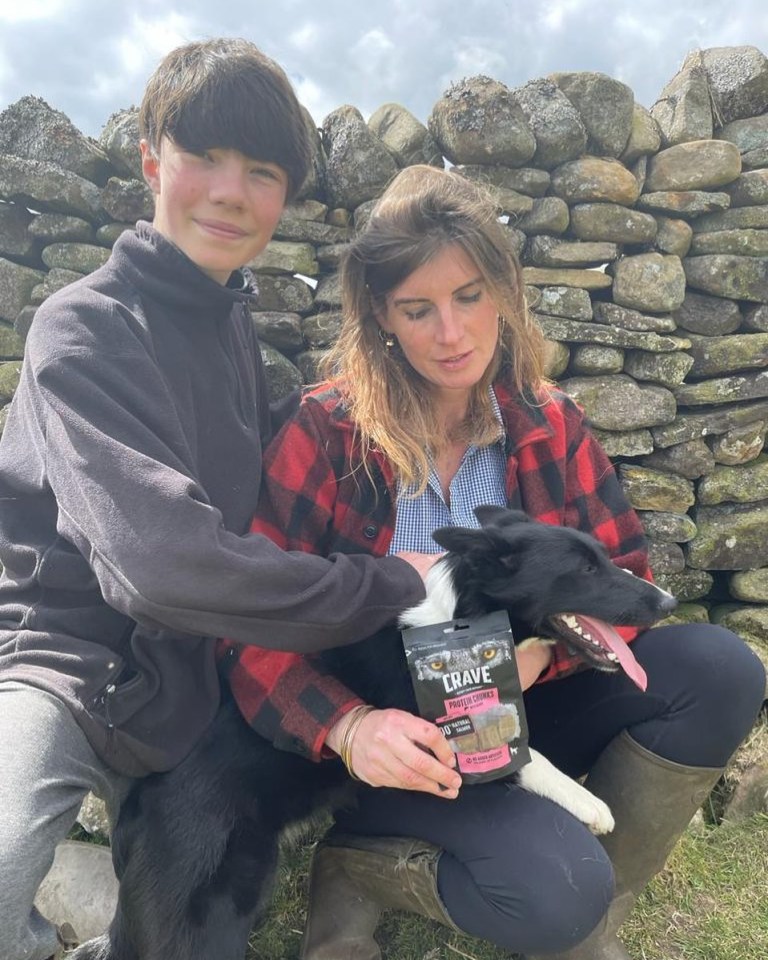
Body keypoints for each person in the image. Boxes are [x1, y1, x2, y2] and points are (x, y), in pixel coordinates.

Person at [223, 164, 767, 960]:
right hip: (396, 743)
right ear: (381, 315)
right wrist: (348, 727)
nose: (451, 333)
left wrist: (533, 656)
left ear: (505, 291)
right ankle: (358, 865)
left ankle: (598, 909)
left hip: (525, 709)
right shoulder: (325, 433)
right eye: (418, 308)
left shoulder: (550, 422)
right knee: (550, 894)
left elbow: (616, 569)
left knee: (723, 669)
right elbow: (249, 616)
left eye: (469, 296)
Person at [0, 39, 438, 960]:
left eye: (263, 171)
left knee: (181, 934)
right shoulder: (80, 329)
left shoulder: (235, 329)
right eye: (204, 158)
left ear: (284, 198)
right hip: (68, 666)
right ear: (153, 162)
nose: (231, 193)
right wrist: (388, 584)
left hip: (200, 667)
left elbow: (290, 456)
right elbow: (162, 564)